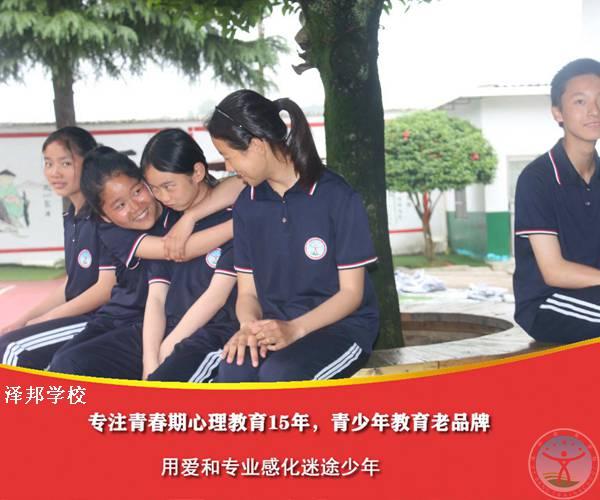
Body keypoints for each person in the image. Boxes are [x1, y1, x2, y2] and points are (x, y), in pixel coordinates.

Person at [207, 89, 380, 382]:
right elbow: (248, 293)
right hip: (276, 326)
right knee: (233, 369)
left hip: (342, 328)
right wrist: (249, 327)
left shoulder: (336, 196)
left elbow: (351, 294)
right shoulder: (247, 205)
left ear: (257, 145)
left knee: (280, 373)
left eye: (228, 157)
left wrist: (295, 329)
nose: (228, 168)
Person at [49, 145, 242, 379]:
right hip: (136, 322)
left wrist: (192, 217)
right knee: (66, 363)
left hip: (195, 329)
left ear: (146, 183)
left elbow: (239, 184)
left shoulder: (175, 204)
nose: (135, 206)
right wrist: (150, 361)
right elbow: (177, 252)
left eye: (138, 191)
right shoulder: (115, 230)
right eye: (120, 205)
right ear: (104, 216)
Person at [0, 127, 117, 368]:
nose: (55, 172)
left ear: (89, 162)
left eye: (65, 163)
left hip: (100, 319)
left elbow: (105, 289)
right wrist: (24, 319)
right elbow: (70, 284)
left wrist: (45, 319)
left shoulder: (103, 215)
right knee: (7, 340)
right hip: (75, 316)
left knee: (12, 351)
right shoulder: (72, 216)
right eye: (48, 163)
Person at [140, 129, 238, 382]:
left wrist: (167, 347)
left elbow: (215, 297)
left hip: (214, 333)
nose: (163, 197)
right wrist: (149, 359)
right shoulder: (166, 221)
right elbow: (156, 297)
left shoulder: (233, 216)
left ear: (197, 173)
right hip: (169, 329)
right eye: (154, 189)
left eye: (168, 186)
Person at [514, 58, 600, 343]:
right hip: (548, 302)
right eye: (580, 101)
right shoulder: (537, 179)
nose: (594, 110)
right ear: (558, 113)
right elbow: (554, 271)